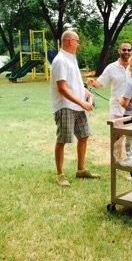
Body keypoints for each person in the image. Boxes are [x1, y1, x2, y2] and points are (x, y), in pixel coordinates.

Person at [50, 30, 99, 187]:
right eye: (77, 41)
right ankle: (60, 174)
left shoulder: (72, 58)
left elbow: (74, 83)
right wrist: (82, 103)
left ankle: (81, 170)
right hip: (65, 106)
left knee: (84, 136)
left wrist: (86, 93)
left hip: (77, 105)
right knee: (63, 139)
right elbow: (62, 88)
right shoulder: (60, 61)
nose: (79, 44)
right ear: (70, 41)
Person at [86, 40, 132, 120]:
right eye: (124, 50)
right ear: (119, 51)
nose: (126, 52)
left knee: (131, 132)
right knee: (116, 133)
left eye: (129, 50)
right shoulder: (111, 67)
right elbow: (99, 84)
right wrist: (92, 82)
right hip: (116, 110)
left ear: (131, 51)